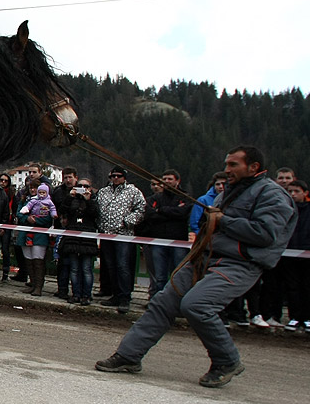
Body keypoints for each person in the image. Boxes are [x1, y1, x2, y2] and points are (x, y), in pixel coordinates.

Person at [95, 146, 296, 388]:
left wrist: (223, 220)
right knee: (162, 302)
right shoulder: (229, 192)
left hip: (239, 263)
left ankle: (226, 361)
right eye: (226, 164)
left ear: (253, 167)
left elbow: (265, 234)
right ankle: (129, 356)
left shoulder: (273, 195)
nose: (226, 170)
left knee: (197, 305)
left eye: (233, 165)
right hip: (205, 258)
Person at [95, 166, 146, 313]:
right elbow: (96, 208)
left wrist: (127, 221)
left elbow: (141, 209)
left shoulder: (133, 191)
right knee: (110, 266)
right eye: (112, 176)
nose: (115, 178)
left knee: (122, 266)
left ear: (124, 177)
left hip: (123, 234)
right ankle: (115, 294)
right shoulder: (103, 192)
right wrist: (101, 224)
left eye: (118, 176)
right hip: (106, 234)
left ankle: (125, 297)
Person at [137, 169, 192, 297]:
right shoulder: (155, 198)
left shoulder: (185, 197)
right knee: (159, 275)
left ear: (177, 181)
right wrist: (172, 213)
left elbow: (183, 213)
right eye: (164, 179)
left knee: (177, 274)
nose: (166, 181)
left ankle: (175, 301)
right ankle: (158, 301)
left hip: (178, 242)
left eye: (170, 179)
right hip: (158, 241)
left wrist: (161, 211)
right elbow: (150, 215)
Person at [58, 177, 99, 304]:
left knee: (86, 268)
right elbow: (62, 211)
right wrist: (70, 197)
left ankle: (86, 295)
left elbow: (96, 214)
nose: (83, 189)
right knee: (74, 268)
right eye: (80, 186)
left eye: (86, 187)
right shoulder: (72, 200)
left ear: (90, 189)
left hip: (87, 237)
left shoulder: (93, 200)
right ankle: (76, 294)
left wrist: (88, 200)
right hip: (72, 236)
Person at [279, 179, 310, 332]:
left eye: (296, 191)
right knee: (292, 287)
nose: (293, 194)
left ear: (305, 193)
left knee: (307, 286)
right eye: (290, 191)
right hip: (288, 254)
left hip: (307, 255)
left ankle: (308, 318)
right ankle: (294, 317)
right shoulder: (286, 210)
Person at [17, 178, 53, 295]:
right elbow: (19, 214)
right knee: (28, 259)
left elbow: (47, 219)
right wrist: (27, 218)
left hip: (39, 235)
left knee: (38, 260)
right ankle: (32, 283)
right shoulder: (25, 200)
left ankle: (39, 286)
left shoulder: (46, 202)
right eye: (31, 187)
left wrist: (35, 220)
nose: (32, 190)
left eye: (35, 188)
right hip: (25, 234)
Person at [50, 167, 79, 299]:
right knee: (61, 263)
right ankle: (62, 289)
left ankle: (77, 291)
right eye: (65, 177)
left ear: (75, 178)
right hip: (61, 229)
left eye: (70, 177)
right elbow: (56, 209)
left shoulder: (81, 190)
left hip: (77, 230)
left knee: (75, 264)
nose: (68, 180)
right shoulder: (58, 191)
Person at [0, 173, 15, 281]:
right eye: (1, 180)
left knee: (5, 249)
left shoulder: (11, 195)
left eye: (6, 181)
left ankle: (5, 272)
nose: (3, 182)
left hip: (7, 224)